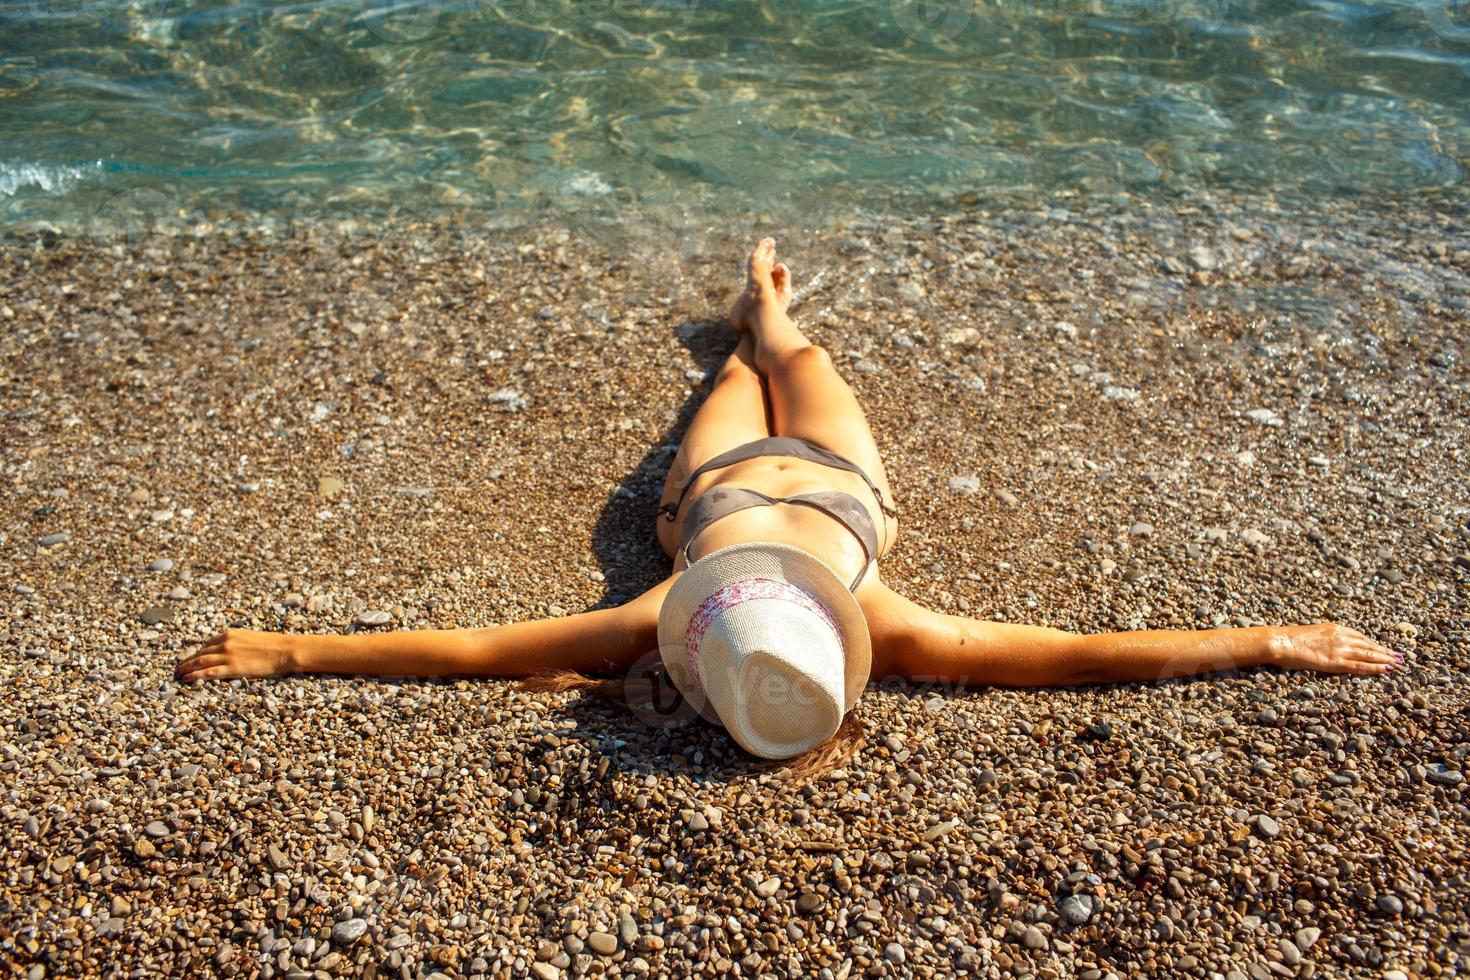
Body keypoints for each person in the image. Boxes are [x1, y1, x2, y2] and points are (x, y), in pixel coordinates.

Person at [175, 239, 1402, 766]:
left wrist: (295, 649)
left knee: (729, 370)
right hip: (839, 480)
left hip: (709, 490)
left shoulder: (660, 604)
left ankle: (751, 318)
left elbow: (478, 649)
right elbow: (1081, 658)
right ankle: (767, 303)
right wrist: (1266, 640)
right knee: (786, 345)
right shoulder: (897, 619)